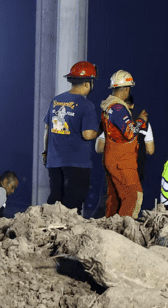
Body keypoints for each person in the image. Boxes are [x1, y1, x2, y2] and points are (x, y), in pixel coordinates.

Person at [43, 61, 100, 213]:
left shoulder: (56, 101)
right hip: (77, 164)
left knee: (55, 201)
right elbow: (88, 135)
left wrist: (45, 152)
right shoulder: (87, 105)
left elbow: (47, 129)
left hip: (54, 162)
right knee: (73, 206)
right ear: (87, 84)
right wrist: (101, 129)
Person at [100, 70, 145, 218]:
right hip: (122, 161)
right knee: (134, 197)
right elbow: (130, 133)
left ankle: (108, 231)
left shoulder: (108, 106)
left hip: (112, 158)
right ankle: (123, 234)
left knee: (115, 200)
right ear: (126, 89)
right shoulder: (119, 108)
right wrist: (141, 121)